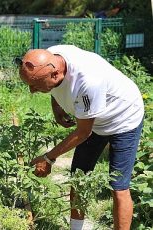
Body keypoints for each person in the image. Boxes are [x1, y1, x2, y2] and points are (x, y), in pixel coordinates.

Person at [16, 45, 144, 230]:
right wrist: (57, 106)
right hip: (93, 119)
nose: (32, 91)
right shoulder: (51, 57)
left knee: (118, 186)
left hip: (124, 118)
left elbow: (83, 132)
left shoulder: (88, 80)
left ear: (55, 74)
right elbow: (55, 86)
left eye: (35, 85)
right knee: (78, 177)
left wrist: (48, 158)